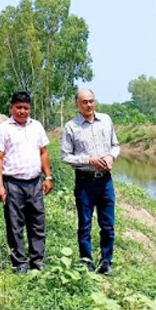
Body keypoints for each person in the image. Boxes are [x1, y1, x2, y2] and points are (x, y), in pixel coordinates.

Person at [60, 89, 120, 274]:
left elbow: (115, 145)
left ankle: (106, 262)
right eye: (84, 102)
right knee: (84, 224)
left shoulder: (106, 120)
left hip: (105, 181)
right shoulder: (71, 127)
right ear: (77, 105)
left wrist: (111, 157)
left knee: (108, 225)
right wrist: (88, 160)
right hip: (85, 182)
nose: (89, 105)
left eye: (91, 101)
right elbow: (65, 156)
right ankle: (87, 262)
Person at [0, 90, 52, 273]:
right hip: (13, 184)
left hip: (34, 183)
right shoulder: (3, 129)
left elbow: (43, 153)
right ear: (11, 108)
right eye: (18, 107)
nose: (22, 111)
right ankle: (19, 263)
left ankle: (37, 261)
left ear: (30, 109)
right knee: (15, 225)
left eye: (26, 108)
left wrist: (48, 176)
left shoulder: (37, 127)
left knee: (37, 224)